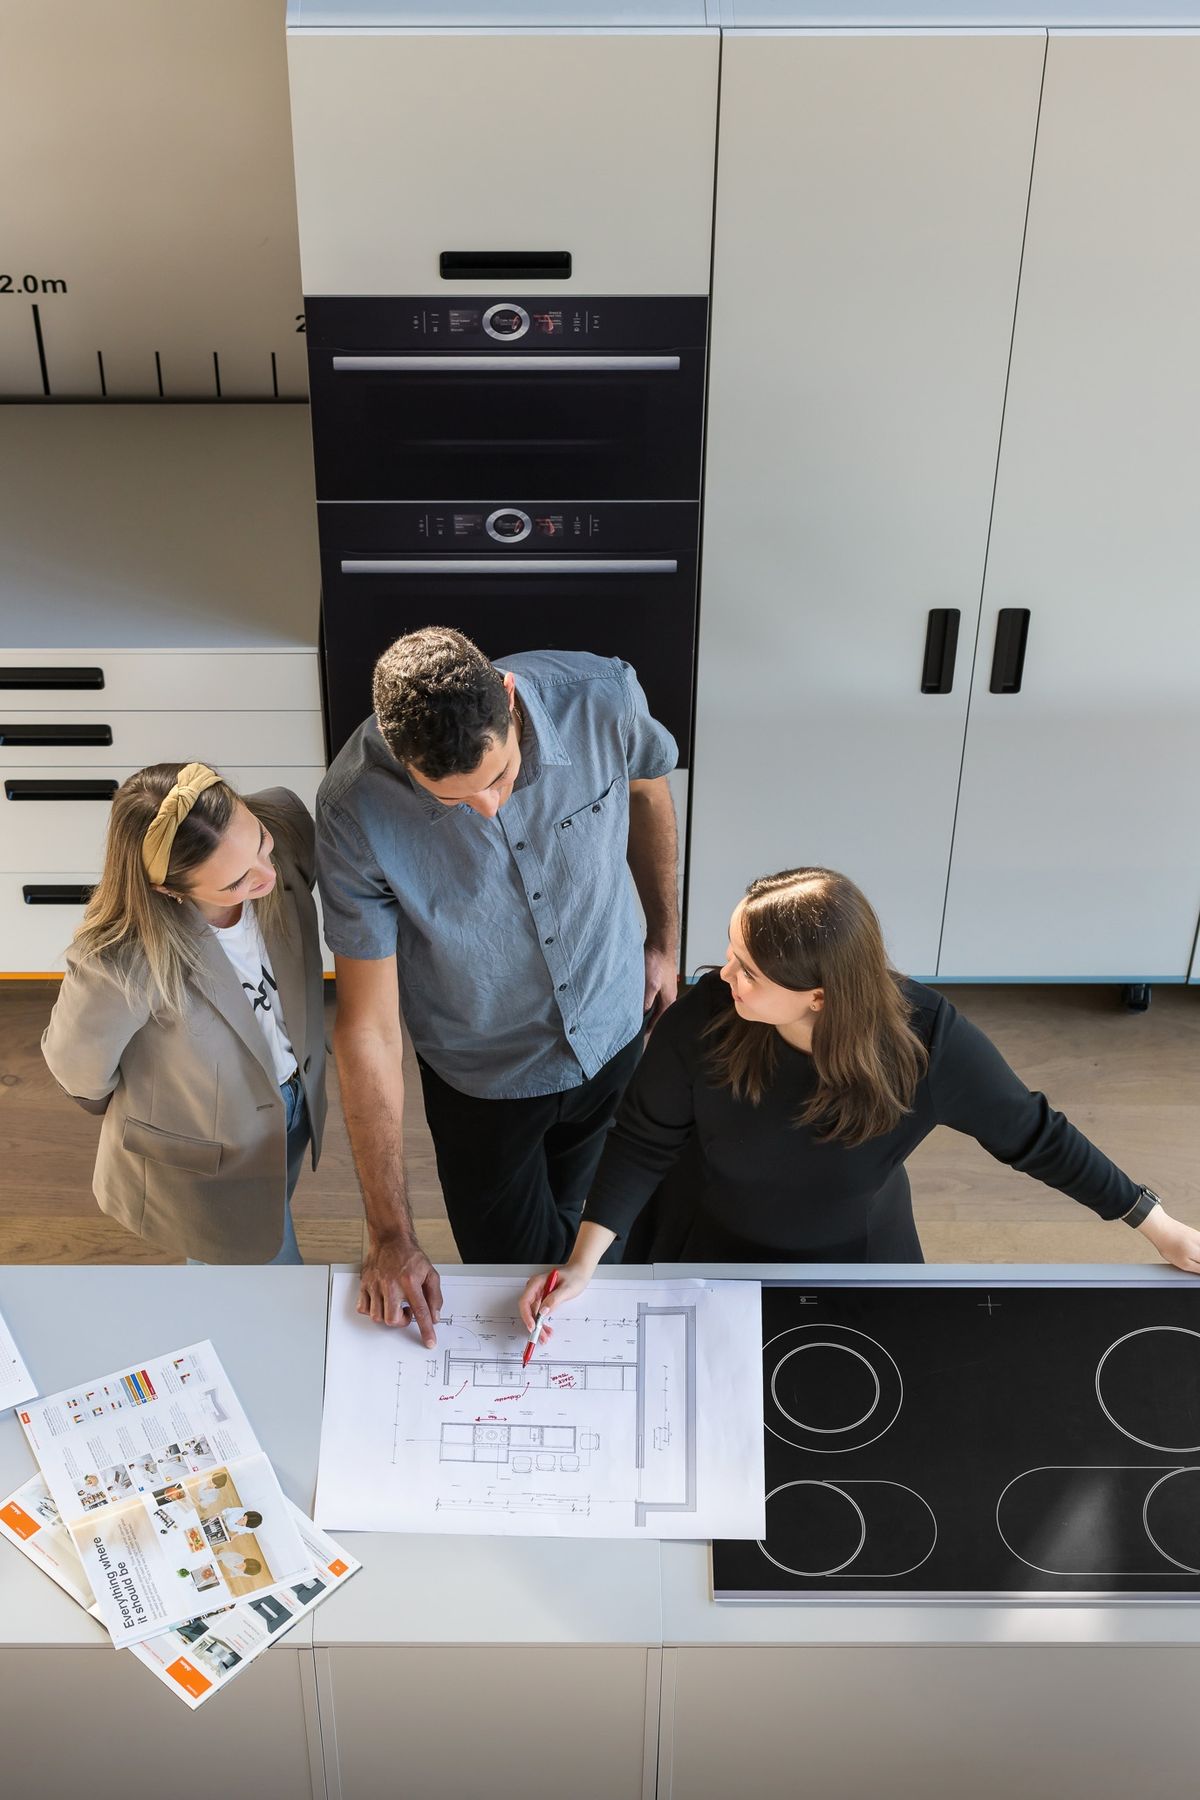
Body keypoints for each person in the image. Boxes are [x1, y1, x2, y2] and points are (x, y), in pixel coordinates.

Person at [521, 867, 1200, 1328]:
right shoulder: (707, 1016)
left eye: (747, 969)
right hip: (700, 1234)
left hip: (856, 1249)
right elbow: (642, 1139)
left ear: (818, 995)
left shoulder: (928, 1041)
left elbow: (1034, 1135)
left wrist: (1159, 1226)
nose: (723, 973)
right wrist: (585, 1262)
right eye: (730, 950)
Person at [317, 628, 680, 1341]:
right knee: (514, 1284)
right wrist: (389, 1231)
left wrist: (666, 940)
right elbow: (367, 1026)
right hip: (481, 1080)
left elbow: (648, 792)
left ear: (508, 700)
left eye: (501, 777)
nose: (487, 807)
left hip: (612, 1029)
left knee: (595, 1239)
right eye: (451, 799)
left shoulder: (603, 697)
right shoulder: (352, 809)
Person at [42, 764, 327, 1264]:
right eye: (237, 882)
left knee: (268, 1213)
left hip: (295, 1104)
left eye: (260, 844)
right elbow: (79, 1072)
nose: (270, 873)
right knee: (253, 1279)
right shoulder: (123, 956)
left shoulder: (283, 821)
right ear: (170, 890)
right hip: (207, 1153)